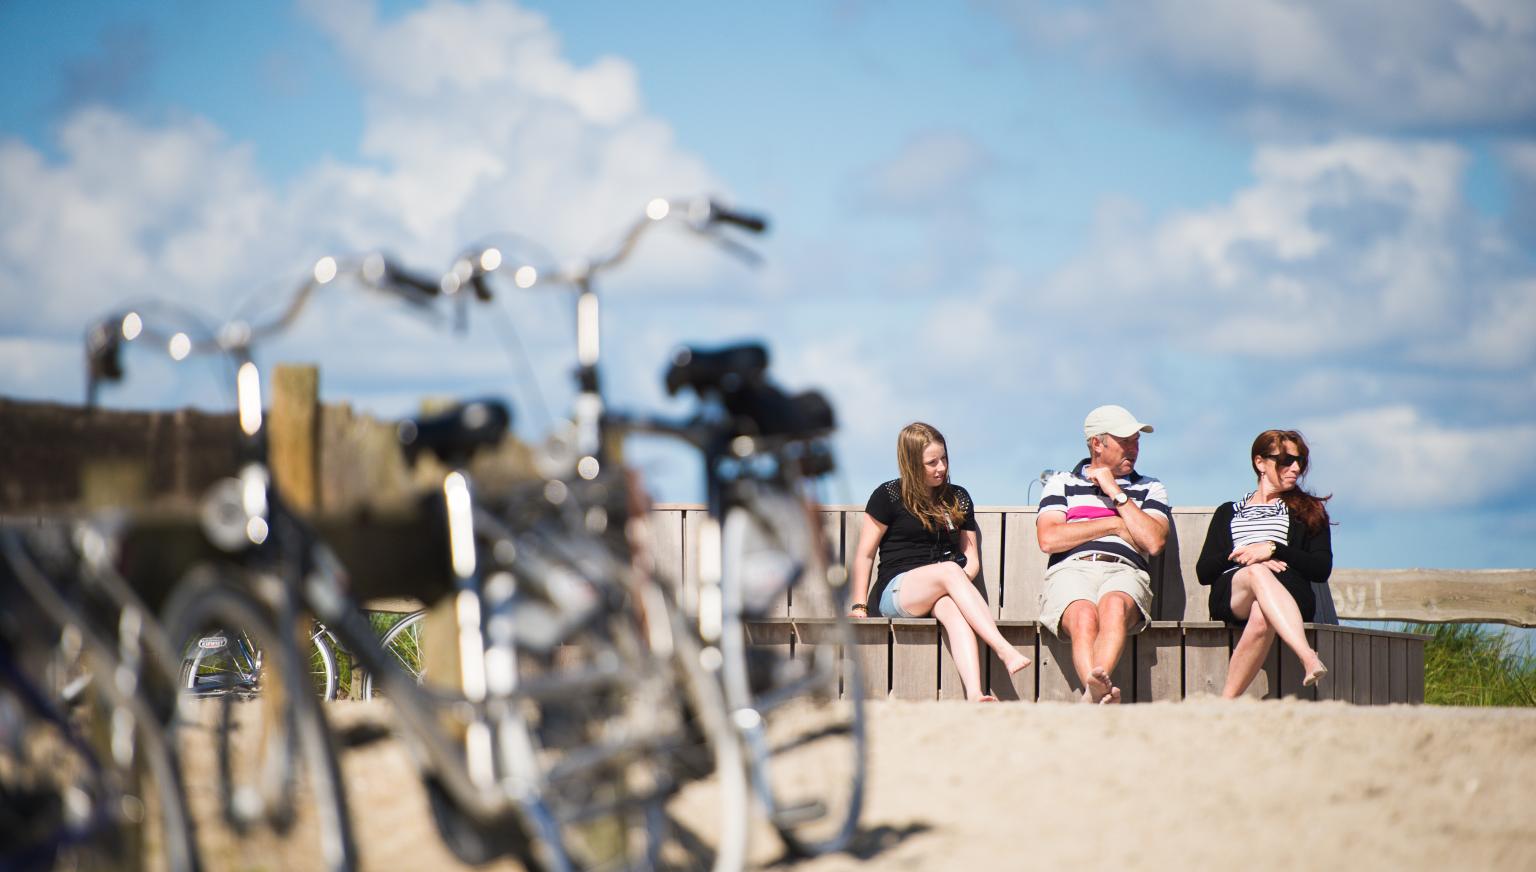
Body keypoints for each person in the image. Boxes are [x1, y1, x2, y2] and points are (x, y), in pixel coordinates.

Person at [848, 422, 1031, 702]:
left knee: (952, 610)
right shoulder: (888, 496)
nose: (941, 467)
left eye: (944, 458)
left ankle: (974, 694)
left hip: (942, 587)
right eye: (931, 462)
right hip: (896, 591)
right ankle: (1003, 649)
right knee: (948, 570)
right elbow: (865, 554)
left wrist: (952, 584)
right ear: (911, 463)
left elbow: (971, 561)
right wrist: (859, 606)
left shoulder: (957, 497)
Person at [1036, 405, 1169, 704]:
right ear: (1097, 443)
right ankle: (1098, 694)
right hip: (1072, 570)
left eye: (1136, 441)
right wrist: (1114, 524)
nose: (1133, 449)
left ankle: (1092, 697)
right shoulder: (1063, 483)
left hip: (1125, 571)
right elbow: (1049, 538)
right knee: (1083, 615)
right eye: (1125, 442)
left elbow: (1153, 542)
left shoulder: (1150, 487)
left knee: (1113, 607)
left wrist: (1115, 492)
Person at [1196, 429, 1332, 697]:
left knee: (1261, 616)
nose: (1295, 468)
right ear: (1260, 463)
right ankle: (1307, 656)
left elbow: (1320, 569)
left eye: (1300, 461)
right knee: (1257, 573)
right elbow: (1204, 572)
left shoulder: (1308, 510)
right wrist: (1245, 555)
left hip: (1290, 591)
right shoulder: (1229, 512)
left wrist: (1273, 549)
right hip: (1235, 591)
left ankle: (1226, 701)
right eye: (1286, 461)